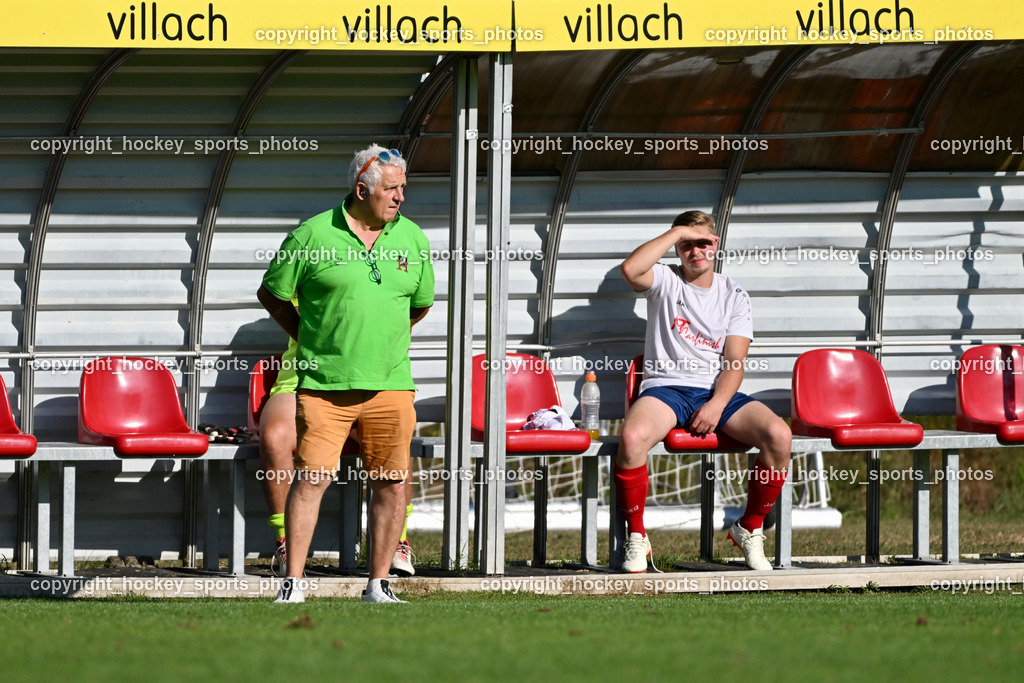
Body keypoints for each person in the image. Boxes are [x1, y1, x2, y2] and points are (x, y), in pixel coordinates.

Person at [258, 144, 434, 603]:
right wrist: (310, 337)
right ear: (361, 190)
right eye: (391, 189)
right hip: (325, 386)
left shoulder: (413, 238)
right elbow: (272, 293)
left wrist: (383, 342)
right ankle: (293, 583)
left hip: (391, 384)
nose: (400, 197)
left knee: (391, 482)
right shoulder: (311, 235)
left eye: (402, 188)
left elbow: (420, 305)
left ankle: (378, 585)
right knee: (312, 479)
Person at [616, 210, 792, 572]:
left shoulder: (734, 294)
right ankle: (637, 536)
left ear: (716, 245)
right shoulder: (665, 279)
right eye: (686, 245)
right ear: (676, 249)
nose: (695, 251)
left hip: (715, 393)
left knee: (779, 435)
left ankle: (749, 528)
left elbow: (735, 362)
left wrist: (716, 404)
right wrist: (678, 232)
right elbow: (631, 269)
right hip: (665, 390)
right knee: (631, 439)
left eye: (703, 243)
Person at [259, 337, 418, 579]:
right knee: (275, 436)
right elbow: (302, 324)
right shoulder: (303, 306)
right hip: (304, 384)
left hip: (375, 385)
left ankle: (397, 541)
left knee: (396, 441)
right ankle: (286, 543)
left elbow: (404, 325)